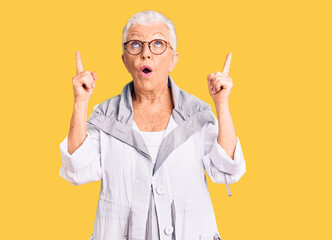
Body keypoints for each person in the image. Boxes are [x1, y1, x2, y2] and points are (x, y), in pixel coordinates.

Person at [59, 10, 246, 240]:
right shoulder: (107, 116)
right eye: (135, 44)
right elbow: (76, 170)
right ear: (125, 60)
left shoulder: (196, 115)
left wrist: (222, 105)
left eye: (158, 43)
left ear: (173, 59)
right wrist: (80, 102)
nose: (146, 53)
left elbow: (227, 171)